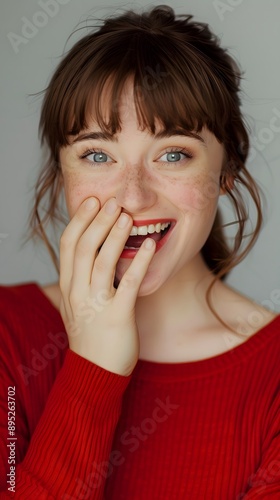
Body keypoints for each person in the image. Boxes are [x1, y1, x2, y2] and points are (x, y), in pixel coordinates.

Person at [0, 5, 279, 499]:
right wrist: (93, 366)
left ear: (227, 169)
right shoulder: (7, 335)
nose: (133, 196)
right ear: (61, 173)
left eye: (173, 154)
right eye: (97, 154)